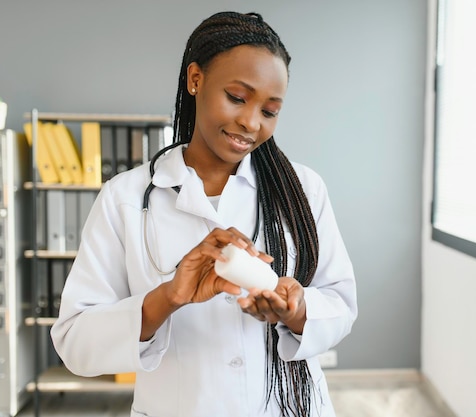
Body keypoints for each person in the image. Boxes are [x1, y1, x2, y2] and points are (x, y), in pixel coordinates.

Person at [50, 10, 357, 417]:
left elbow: (339, 303)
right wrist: (168, 298)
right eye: (237, 97)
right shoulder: (124, 198)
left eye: (269, 111)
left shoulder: (302, 190)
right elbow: (75, 342)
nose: (250, 122)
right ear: (195, 79)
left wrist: (297, 311)